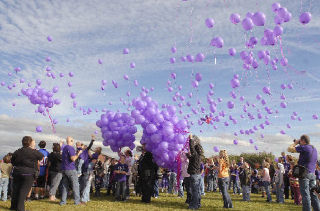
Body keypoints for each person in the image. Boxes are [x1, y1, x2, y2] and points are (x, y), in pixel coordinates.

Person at [10, 136, 44, 211]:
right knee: (23, 191)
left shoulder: (17, 151)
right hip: (28, 174)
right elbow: (41, 156)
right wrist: (33, 147)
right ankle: (20, 208)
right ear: (30, 142)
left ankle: (13, 206)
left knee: (16, 190)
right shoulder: (33, 151)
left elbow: (12, 161)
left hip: (17, 172)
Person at [288, 134, 320, 211]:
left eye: (300, 141)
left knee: (305, 195)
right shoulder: (314, 148)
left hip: (304, 174)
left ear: (302, 141)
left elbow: (289, 149)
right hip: (312, 174)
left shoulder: (304, 147)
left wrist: (295, 143)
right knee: (313, 194)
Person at [60, 136, 83, 206]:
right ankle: (77, 202)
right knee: (75, 185)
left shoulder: (64, 148)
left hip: (64, 169)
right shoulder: (70, 148)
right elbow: (73, 159)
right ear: (71, 141)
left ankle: (63, 202)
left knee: (65, 185)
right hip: (70, 169)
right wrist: (78, 154)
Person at [186, 134, 204, 209]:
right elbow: (192, 157)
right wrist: (188, 156)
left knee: (195, 192)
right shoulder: (198, 156)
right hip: (198, 175)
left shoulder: (195, 154)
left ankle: (194, 206)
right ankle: (198, 204)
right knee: (198, 191)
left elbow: (192, 149)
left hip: (195, 175)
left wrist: (190, 139)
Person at [79, 135, 95, 203]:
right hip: (84, 171)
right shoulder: (81, 152)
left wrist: (92, 140)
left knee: (86, 185)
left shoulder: (85, 152)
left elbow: (89, 146)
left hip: (86, 171)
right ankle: (85, 198)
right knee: (85, 185)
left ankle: (85, 198)